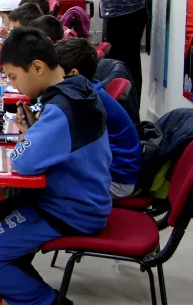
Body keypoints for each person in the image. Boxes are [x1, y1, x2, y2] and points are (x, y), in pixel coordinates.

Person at [0, 27, 110, 305]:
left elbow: (24, 162)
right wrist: (34, 134)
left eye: (14, 77)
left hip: (69, 210)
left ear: (37, 67)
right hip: (70, 198)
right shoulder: (76, 92)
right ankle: (29, 295)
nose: (13, 85)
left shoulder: (63, 109)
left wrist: (29, 138)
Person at [55, 39, 141, 198]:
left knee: (49, 183)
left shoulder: (85, 102)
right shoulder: (88, 91)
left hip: (117, 178)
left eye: (55, 73)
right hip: (111, 169)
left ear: (73, 74)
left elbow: (59, 143)